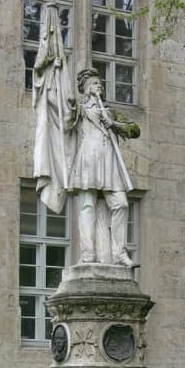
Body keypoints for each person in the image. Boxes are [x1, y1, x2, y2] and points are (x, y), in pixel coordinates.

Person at [66, 68, 139, 266]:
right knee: (87, 205)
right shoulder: (81, 110)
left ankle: (119, 254)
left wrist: (113, 123)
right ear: (87, 88)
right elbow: (66, 120)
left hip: (109, 161)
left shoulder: (109, 110)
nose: (100, 86)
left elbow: (134, 130)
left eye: (100, 83)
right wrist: (72, 103)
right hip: (89, 159)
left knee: (121, 203)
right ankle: (88, 253)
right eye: (95, 83)